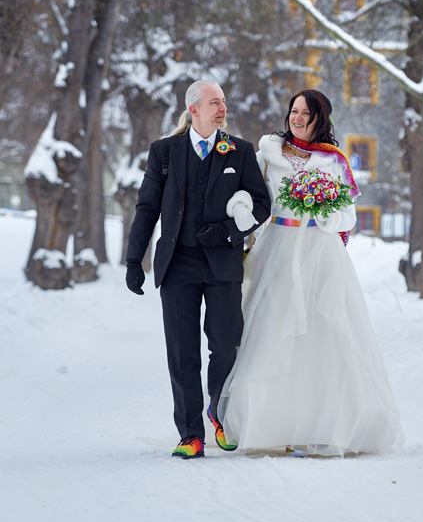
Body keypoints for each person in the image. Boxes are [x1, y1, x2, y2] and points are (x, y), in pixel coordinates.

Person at [218, 89, 404, 456]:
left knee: (324, 336)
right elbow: (244, 190)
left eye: (306, 113)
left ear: (321, 119)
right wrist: (240, 209)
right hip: (277, 249)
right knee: (269, 331)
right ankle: (271, 424)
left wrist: (322, 210)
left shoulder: (334, 161)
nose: (297, 118)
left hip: (321, 254)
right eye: (294, 111)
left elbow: (348, 215)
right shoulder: (268, 152)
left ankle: (323, 424)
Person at [125, 80, 271, 460]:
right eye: (214, 102)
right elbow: (147, 209)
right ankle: (191, 433)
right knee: (181, 351)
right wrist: (133, 260)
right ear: (194, 109)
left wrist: (226, 231)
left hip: (222, 262)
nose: (222, 107)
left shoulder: (239, 151)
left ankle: (217, 412)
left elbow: (261, 204)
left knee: (225, 344)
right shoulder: (164, 152)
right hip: (177, 265)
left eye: (223, 101)